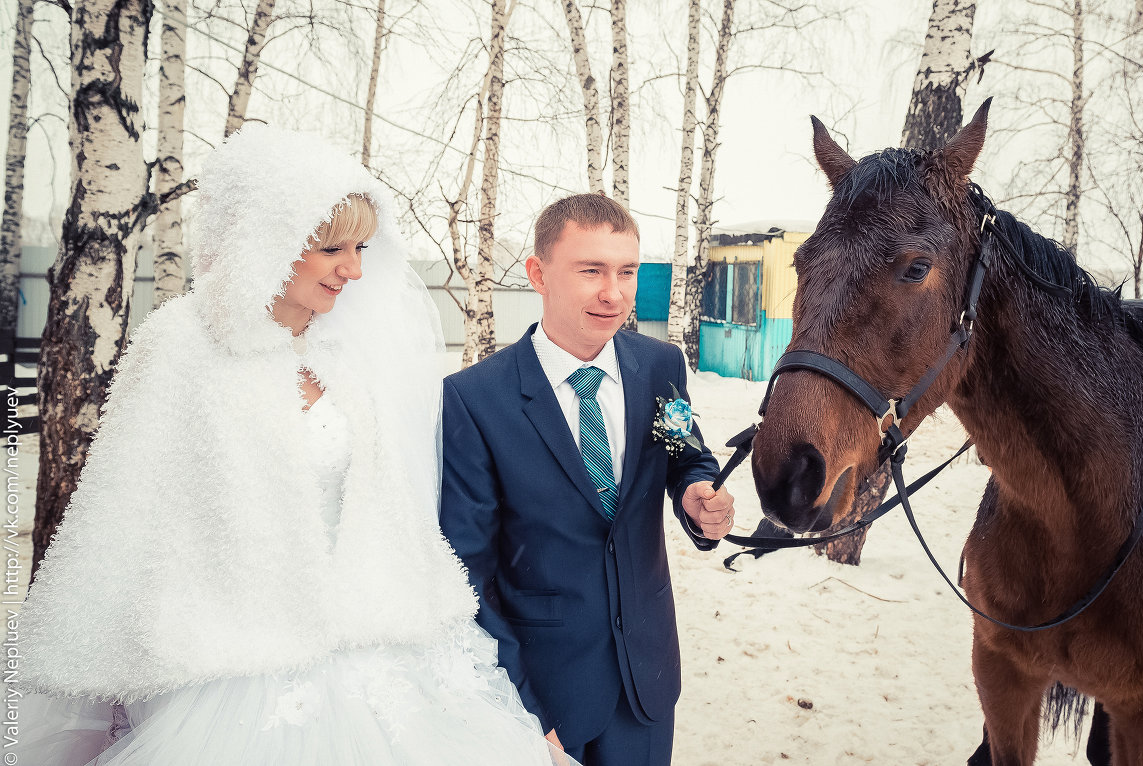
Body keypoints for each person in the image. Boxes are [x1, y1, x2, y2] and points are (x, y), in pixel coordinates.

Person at [16, 126, 575, 766]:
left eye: (361, 247)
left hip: (370, 644)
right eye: (331, 246)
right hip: (232, 659)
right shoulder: (179, 349)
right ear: (266, 241)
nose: (354, 269)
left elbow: (391, 515)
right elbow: (123, 516)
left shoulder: (346, 360)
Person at [439, 193, 737, 766]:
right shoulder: (474, 400)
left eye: (627, 271)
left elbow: (684, 451)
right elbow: (465, 572)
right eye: (591, 270)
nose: (615, 292)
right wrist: (520, 707)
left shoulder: (659, 366)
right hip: (542, 695)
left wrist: (698, 494)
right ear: (538, 274)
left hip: (645, 683)